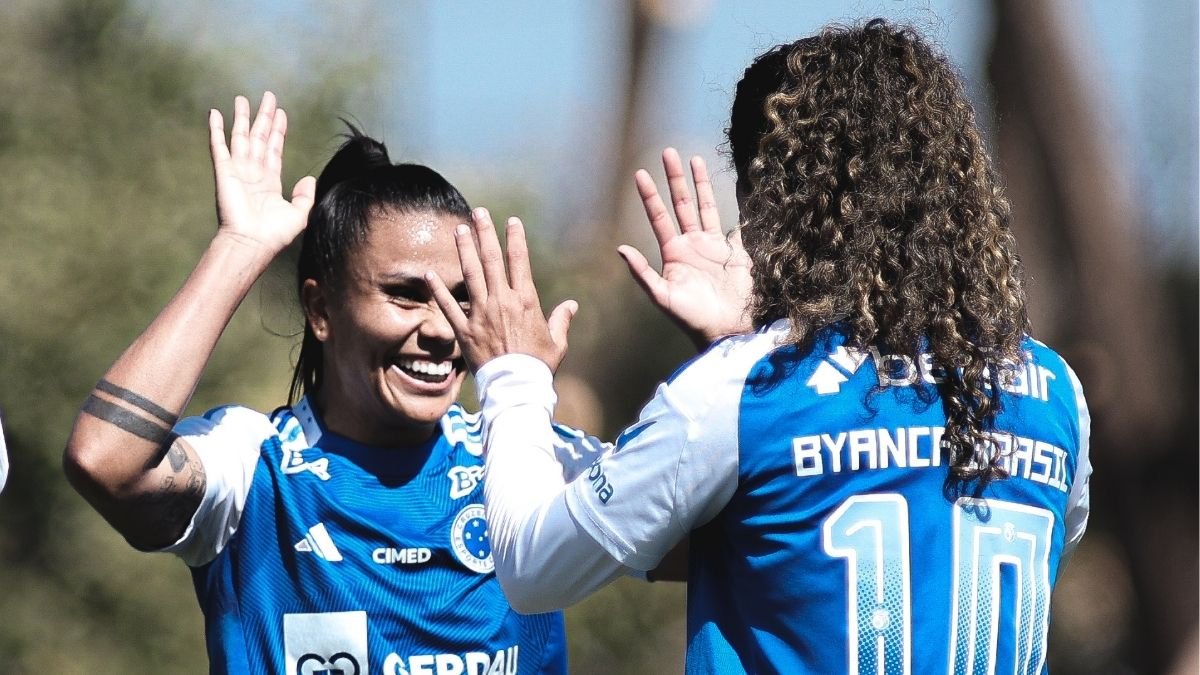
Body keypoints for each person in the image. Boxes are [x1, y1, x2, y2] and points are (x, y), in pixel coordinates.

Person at [429, 18, 1092, 674]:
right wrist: (742, 348)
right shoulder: (1057, 391)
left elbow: (533, 568)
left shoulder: (743, 392)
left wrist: (512, 373)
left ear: (778, 202)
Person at [62, 93, 578, 674]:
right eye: (406, 295)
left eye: (462, 299)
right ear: (321, 309)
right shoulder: (252, 468)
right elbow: (105, 460)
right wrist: (241, 247)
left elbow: (694, 534)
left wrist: (707, 341)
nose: (441, 329)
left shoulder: (527, 458)